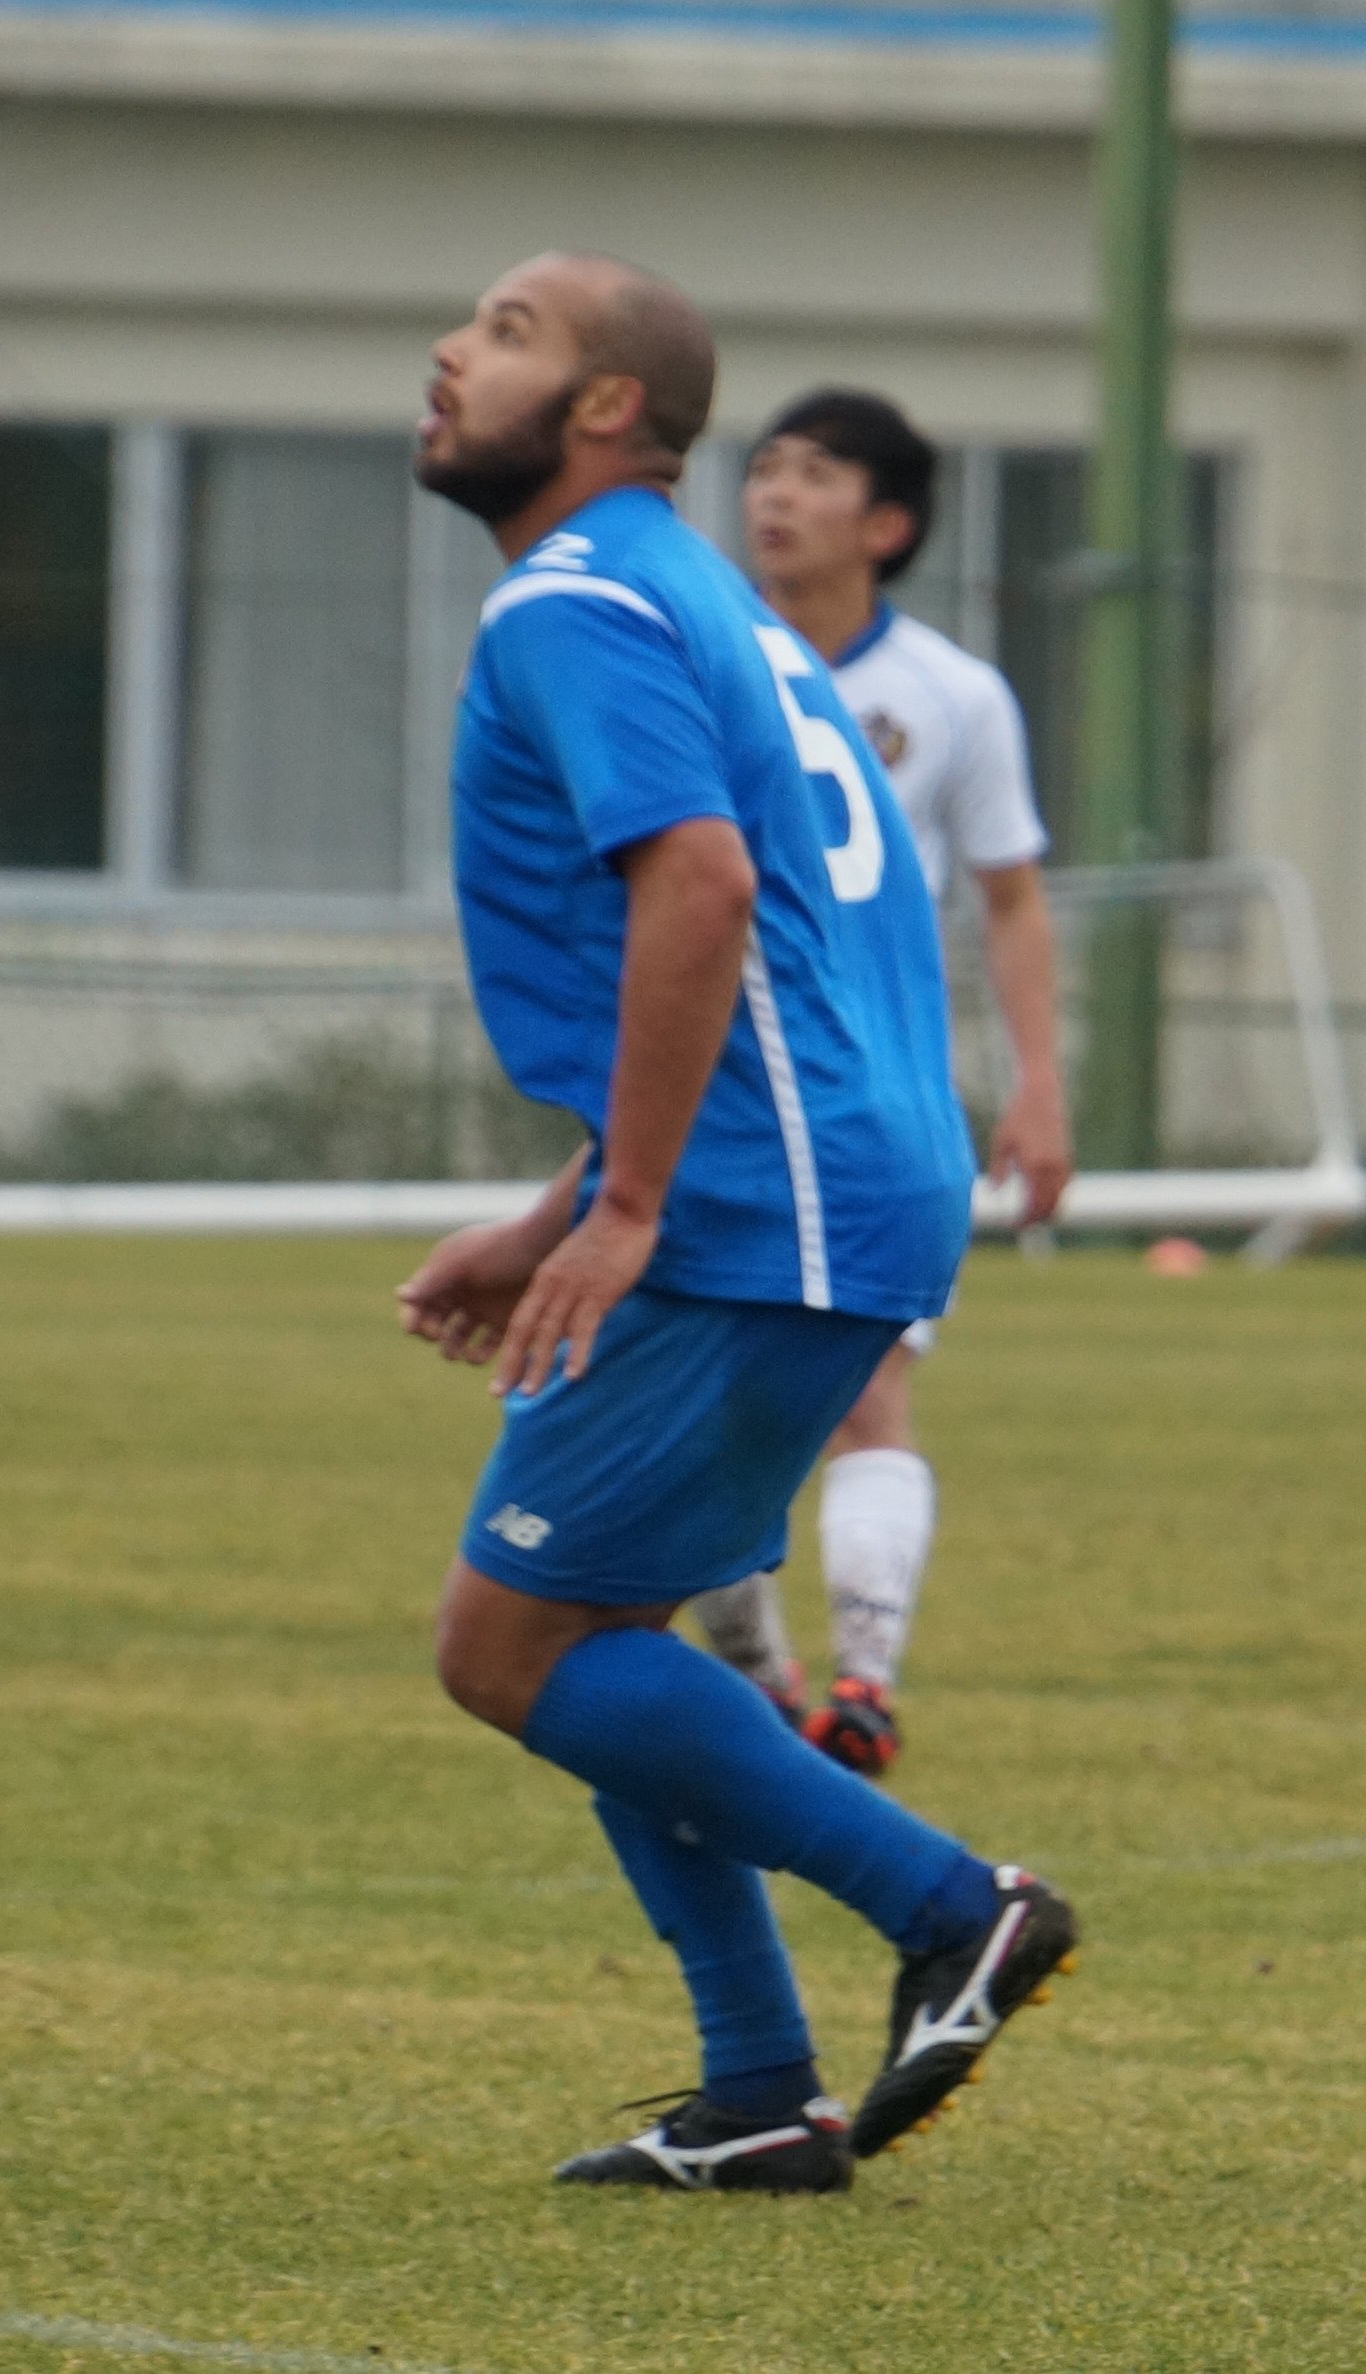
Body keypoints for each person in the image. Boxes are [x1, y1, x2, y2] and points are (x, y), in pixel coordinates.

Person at [398, 252, 1077, 2193]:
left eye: (509, 332)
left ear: (611, 410)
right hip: (834, 1170)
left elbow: (696, 891)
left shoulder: (585, 595)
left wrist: (620, 1202)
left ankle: (956, 1902)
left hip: (753, 1197)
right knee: (603, 1618)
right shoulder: (731, 617)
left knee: (506, 1640)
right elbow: (761, 936)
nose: (453, 351)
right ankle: (760, 2087)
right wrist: (558, 1212)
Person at [684, 388, 1072, 1775]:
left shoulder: (956, 697)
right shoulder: (698, 658)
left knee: (865, 1388)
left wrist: (1037, 1084)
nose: (774, 494)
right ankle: (769, 1681)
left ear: (887, 521)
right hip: (707, 1086)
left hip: (865, 1095)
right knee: (704, 1411)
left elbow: (1011, 901)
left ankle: (863, 1681)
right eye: (763, 468)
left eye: (815, 473)